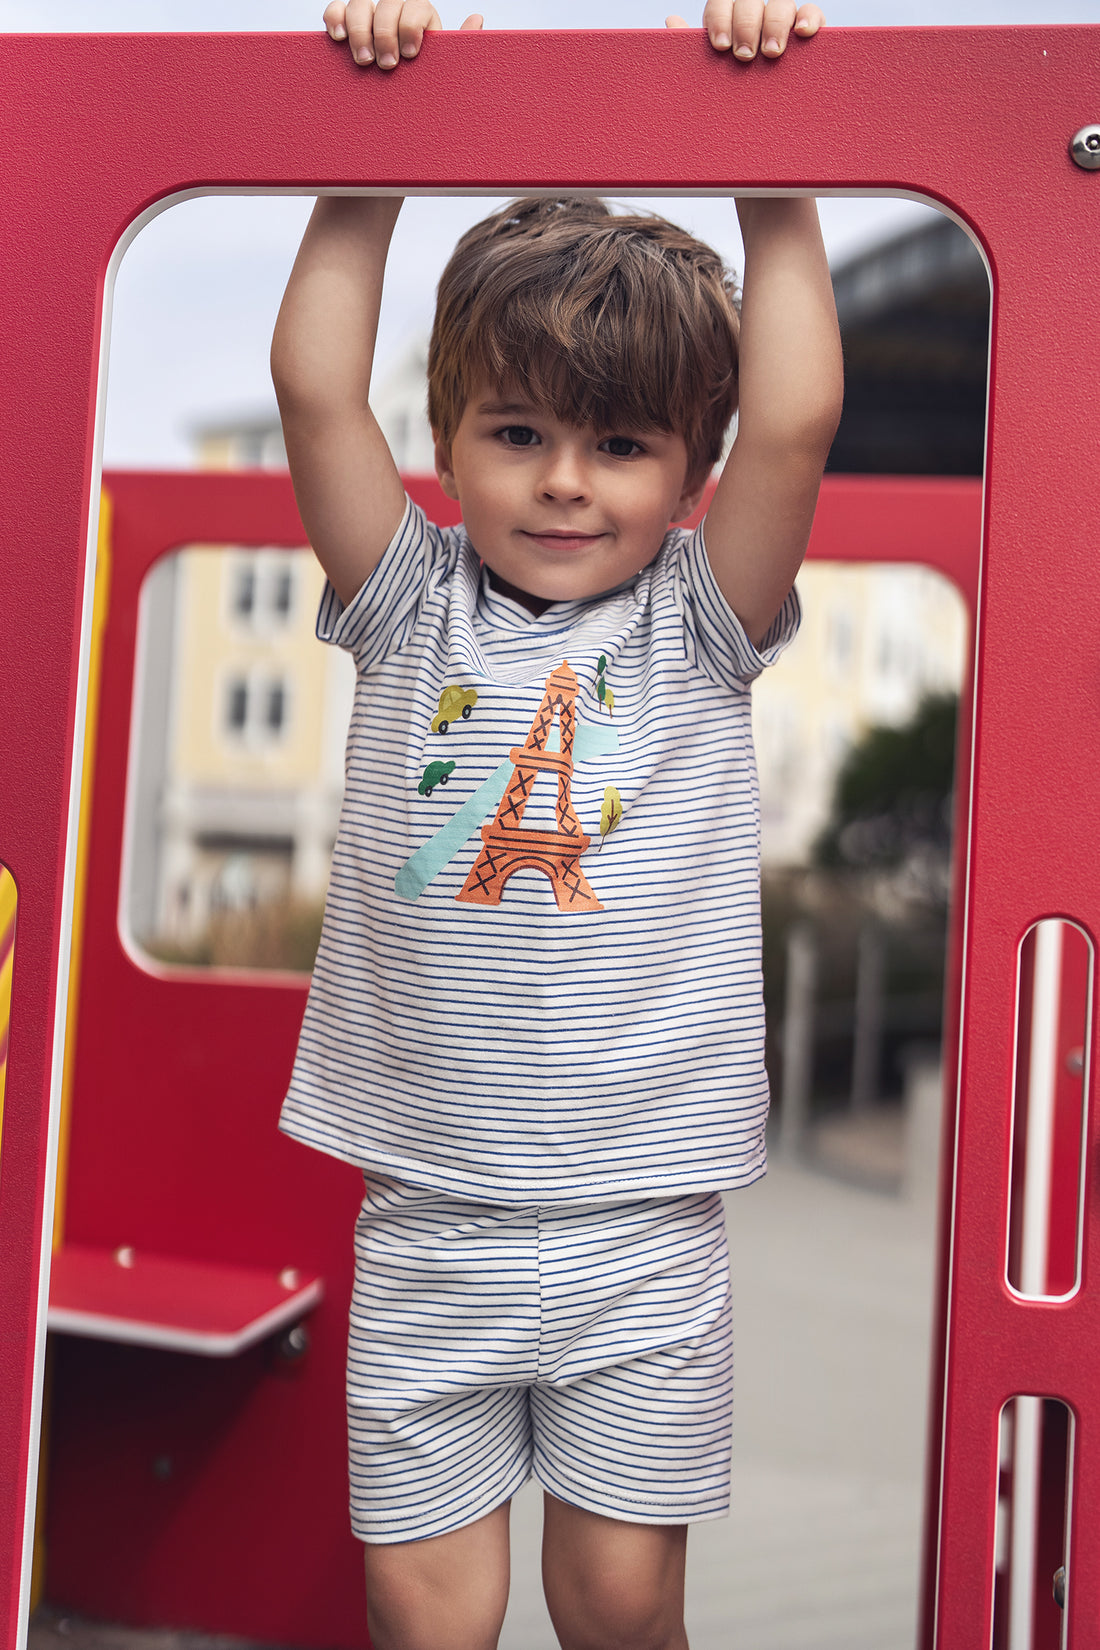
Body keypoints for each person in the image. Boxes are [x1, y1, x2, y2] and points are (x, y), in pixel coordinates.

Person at [271, 4, 841, 1647]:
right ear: (446, 435)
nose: (568, 482)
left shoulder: (702, 620)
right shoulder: (405, 599)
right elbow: (314, 387)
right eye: (517, 434)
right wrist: (367, 133)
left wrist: (782, 158)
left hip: (642, 1230)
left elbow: (797, 419)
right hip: (428, 1212)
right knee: (427, 1615)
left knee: (615, 1608)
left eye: (622, 444)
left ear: (691, 466)